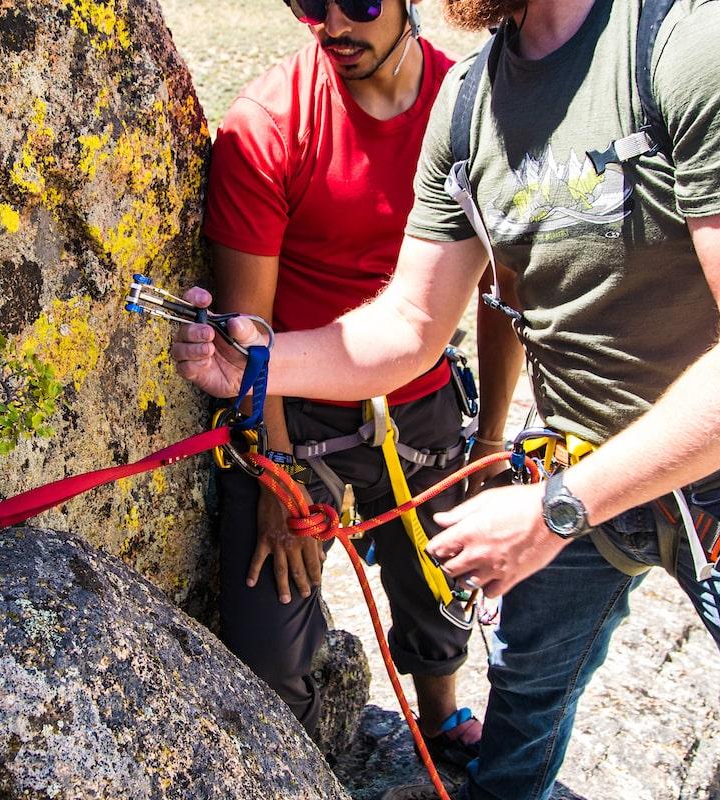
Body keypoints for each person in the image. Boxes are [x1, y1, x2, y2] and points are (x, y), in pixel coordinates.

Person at [174, 0, 720, 798]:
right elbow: (411, 325)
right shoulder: (469, 102)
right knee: (526, 699)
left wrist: (557, 507)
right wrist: (256, 366)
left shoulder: (716, 45)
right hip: (576, 453)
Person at [203, 0, 522, 767]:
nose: (333, 24)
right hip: (298, 415)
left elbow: (503, 290)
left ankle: (441, 718)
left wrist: (488, 446)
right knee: (269, 650)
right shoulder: (267, 125)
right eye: (309, 4)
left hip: (423, 401)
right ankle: (315, 754)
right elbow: (252, 334)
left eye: (359, 2)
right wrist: (277, 478)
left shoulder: (472, 107)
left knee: (441, 586)